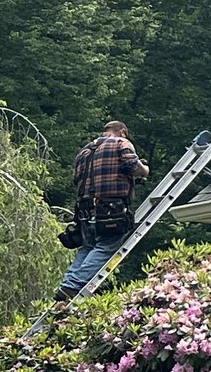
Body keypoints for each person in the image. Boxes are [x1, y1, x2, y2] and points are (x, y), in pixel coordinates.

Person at [57, 120, 150, 301]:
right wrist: (144, 170)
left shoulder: (85, 150)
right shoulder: (121, 143)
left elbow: (77, 178)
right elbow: (133, 165)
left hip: (85, 211)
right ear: (122, 131)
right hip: (110, 209)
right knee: (106, 247)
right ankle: (73, 286)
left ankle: (68, 284)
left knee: (88, 247)